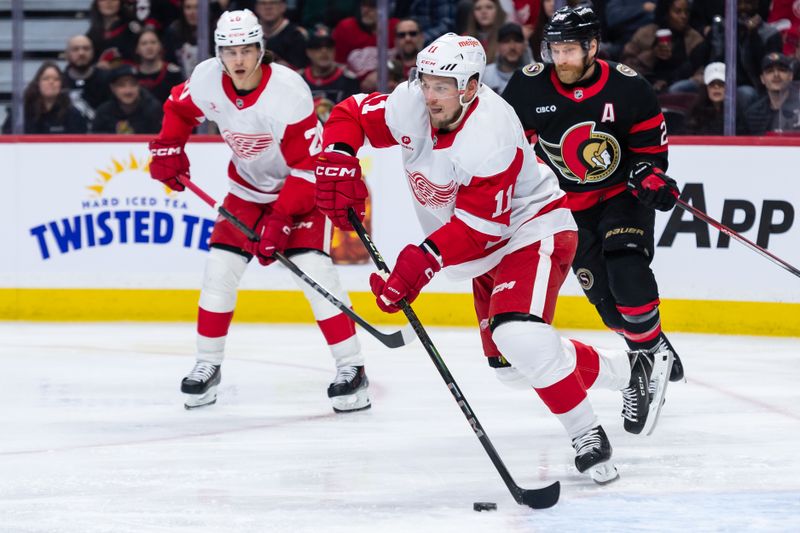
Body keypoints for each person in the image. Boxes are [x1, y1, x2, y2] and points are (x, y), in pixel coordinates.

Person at [314, 32, 672, 483]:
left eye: (442, 86)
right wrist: (338, 154)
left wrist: (418, 264)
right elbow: (349, 113)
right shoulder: (411, 103)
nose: (430, 95)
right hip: (481, 251)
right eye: (425, 82)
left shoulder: (491, 132)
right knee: (513, 369)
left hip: (532, 228)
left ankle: (589, 436)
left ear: (469, 86)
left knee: (520, 335)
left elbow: (483, 228)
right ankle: (629, 369)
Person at [147, 9, 370, 412]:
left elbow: (305, 169)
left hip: (301, 189)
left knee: (315, 273)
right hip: (247, 189)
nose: (238, 60)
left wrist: (280, 223)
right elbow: (179, 109)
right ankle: (207, 366)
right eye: (229, 51)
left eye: (246, 50)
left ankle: (351, 369)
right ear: (218, 53)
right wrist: (169, 146)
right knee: (219, 271)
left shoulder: (288, 92)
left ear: (260, 50)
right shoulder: (206, 79)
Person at [502, 5, 685, 384]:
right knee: (608, 307)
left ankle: (650, 357)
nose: (560, 58)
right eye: (555, 49)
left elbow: (650, 149)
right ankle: (650, 344)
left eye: (569, 49)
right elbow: (509, 149)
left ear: (592, 46)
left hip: (620, 197)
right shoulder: (527, 86)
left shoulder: (629, 86)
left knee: (626, 272)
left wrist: (650, 175)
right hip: (564, 208)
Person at [1, 61, 88, 134]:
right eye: (46, 78)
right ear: (38, 83)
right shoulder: (21, 113)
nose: (51, 82)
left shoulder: (73, 114)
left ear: (61, 84)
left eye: (56, 79)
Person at [91, 64, 163, 133]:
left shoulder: (153, 110)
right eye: (122, 85)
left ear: (139, 86)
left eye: (133, 84)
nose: (128, 91)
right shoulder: (103, 112)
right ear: (112, 88)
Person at [742, 52, 800, 134]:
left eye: (782, 70)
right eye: (770, 71)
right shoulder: (753, 114)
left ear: (791, 76)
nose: (776, 75)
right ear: (762, 79)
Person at [62, 35, 112, 122]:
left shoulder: (107, 79)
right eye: (75, 49)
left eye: (86, 49)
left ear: (93, 52)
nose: (81, 53)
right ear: (67, 54)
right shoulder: (59, 82)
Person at [135, 29, 185, 104]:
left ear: (160, 46)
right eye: (144, 43)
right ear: (137, 49)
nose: (149, 47)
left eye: (153, 42)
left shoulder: (173, 73)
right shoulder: (133, 75)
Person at [483, 22, 529, 93]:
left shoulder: (535, 74)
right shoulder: (485, 75)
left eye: (517, 40)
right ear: (498, 46)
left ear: (524, 45)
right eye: (506, 41)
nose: (512, 47)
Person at [684, 62, 727, 135]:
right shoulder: (695, 113)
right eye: (712, 84)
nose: (716, 87)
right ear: (705, 87)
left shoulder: (735, 113)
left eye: (721, 84)